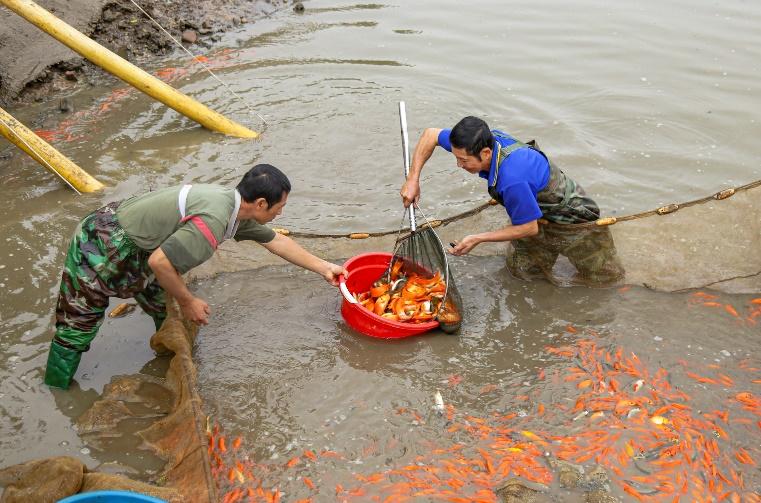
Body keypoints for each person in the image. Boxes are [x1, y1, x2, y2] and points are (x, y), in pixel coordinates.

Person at [45, 163, 348, 389]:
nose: (281, 213)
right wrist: (189, 300)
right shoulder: (214, 220)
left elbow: (276, 241)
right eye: (280, 207)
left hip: (139, 244)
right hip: (103, 242)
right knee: (78, 324)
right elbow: (161, 263)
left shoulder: (234, 208)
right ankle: (56, 391)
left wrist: (324, 268)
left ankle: (165, 362)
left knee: (163, 308)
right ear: (260, 204)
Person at [400, 116, 624, 286]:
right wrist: (413, 179)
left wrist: (478, 238)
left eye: (463, 160)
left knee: (604, 279)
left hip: (572, 218)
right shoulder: (476, 144)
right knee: (523, 275)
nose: (459, 165)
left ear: (486, 153)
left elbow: (527, 227)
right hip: (535, 211)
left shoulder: (512, 180)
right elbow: (430, 135)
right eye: (456, 157)